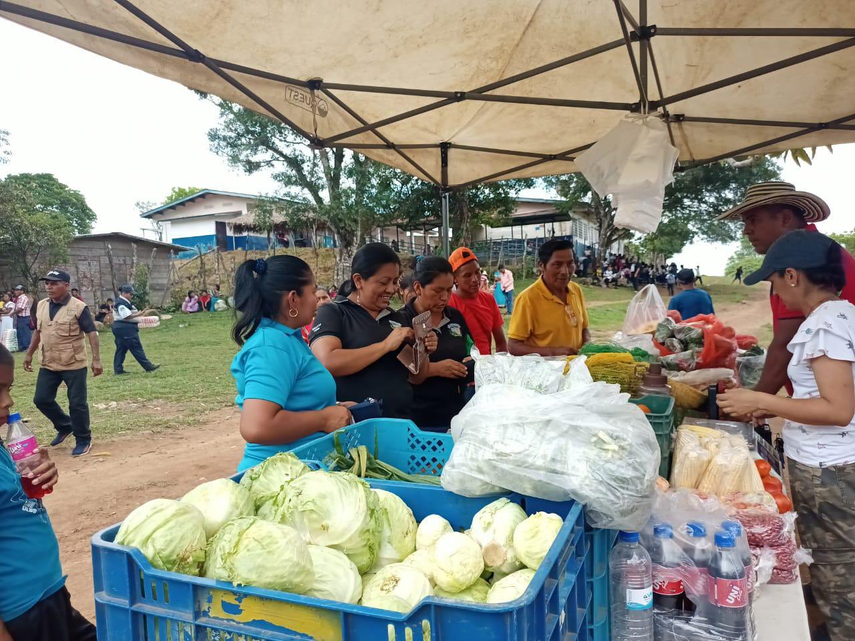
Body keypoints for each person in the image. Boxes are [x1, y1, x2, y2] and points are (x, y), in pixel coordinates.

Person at [717, 231, 855, 641]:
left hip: (830, 472)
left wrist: (766, 402)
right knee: (834, 566)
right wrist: (763, 403)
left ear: (792, 276)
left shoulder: (826, 325)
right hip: (829, 466)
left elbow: (838, 409)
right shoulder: (840, 314)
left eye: (774, 281)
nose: (774, 291)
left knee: (838, 574)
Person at [717, 181, 855, 397]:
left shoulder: (806, 261)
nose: (746, 231)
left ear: (785, 218)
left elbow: (785, 345)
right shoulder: (814, 249)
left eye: (753, 220)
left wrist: (756, 403)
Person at [0, 344, 97, 641]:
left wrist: (40, 475)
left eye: (8, 388)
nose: (8, 401)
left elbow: (16, 501)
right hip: (23, 614)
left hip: (48, 595)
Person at [231, 256, 352, 472]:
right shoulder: (271, 346)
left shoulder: (287, 339)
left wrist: (331, 408)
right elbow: (257, 426)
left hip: (298, 472)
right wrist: (323, 419)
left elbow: (294, 401)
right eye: (313, 292)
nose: (318, 300)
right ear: (293, 299)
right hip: (278, 479)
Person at [310, 243, 436, 420]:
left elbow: (416, 376)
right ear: (358, 280)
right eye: (384, 282)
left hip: (399, 421)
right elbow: (327, 361)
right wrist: (385, 346)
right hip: (355, 425)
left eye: (395, 282)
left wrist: (423, 349)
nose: (391, 289)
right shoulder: (334, 312)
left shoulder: (397, 319)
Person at [23, 270, 102, 458]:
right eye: (47, 283)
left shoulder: (79, 307)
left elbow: (91, 332)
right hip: (48, 362)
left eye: (54, 283)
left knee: (77, 403)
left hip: (73, 363)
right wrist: (29, 354)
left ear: (66, 285)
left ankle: (83, 439)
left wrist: (96, 359)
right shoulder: (41, 305)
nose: (49, 287)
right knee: (41, 399)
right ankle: (65, 425)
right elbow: (38, 331)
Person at [400, 257, 473, 430]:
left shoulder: (455, 317)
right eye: (438, 291)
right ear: (418, 287)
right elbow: (405, 370)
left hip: (457, 413)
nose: (445, 297)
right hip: (419, 418)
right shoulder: (402, 321)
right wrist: (437, 369)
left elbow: (470, 347)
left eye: (449, 290)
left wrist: (470, 361)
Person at [508, 239, 590, 356]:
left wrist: (587, 347)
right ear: (542, 266)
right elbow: (513, 346)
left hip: (575, 369)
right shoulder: (527, 299)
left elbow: (584, 328)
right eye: (557, 264)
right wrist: (553, 352)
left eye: (570, 264)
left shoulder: (576, 290)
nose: (565, 271)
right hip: (546, 372)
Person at [447, 247, 508, 357]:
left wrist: (500, 367)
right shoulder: (449, 304)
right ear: (454, 278)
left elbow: (501, 343)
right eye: (467, 275)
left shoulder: (488, 300)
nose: (475, 279)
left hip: (487, 368)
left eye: (477, 272)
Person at [112, 284, 159, 375]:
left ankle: (118, 369)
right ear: (124, 293)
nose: (131, 296)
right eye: (130, 294)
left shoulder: (123, 301)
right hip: (125, 328)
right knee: (136, 347)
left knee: (121, 349)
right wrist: (138, 314)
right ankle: (148, 366)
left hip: (120, 328)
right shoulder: (121, 303)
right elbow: (126, 316)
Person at [12, 285, 32, 352]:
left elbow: (20, 308)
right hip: (19, 317)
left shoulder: (23, 298)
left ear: (22, 291)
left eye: (17, 290)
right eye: (15, 290)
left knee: (25, 332)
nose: (15, 291)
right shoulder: (18, 298)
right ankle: (21, 347)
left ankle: (26, 346)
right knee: (20, 332)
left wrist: (12, 313)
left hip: (24, 317)